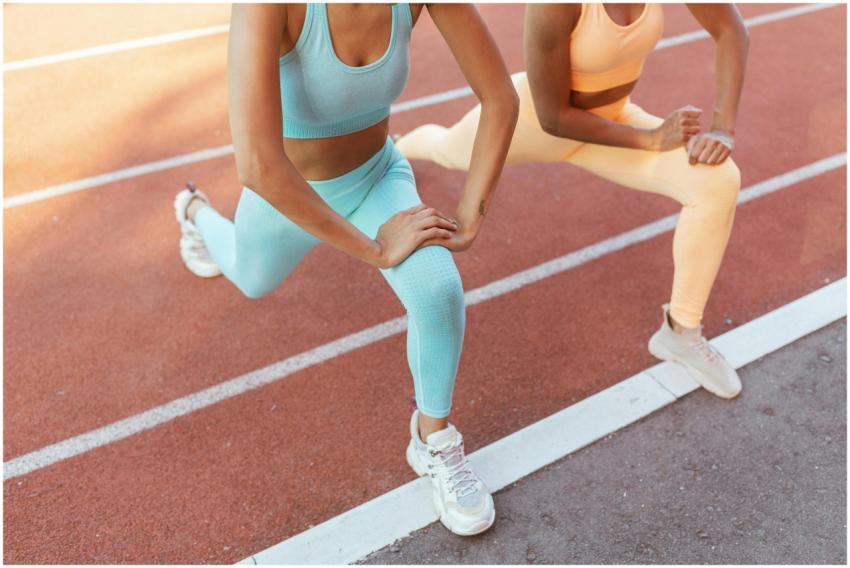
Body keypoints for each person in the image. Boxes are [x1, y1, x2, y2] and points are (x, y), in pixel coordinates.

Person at [172, 3, 518, 535]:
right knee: (251, 278)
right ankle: (195, 212)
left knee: (438, 289)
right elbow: (258, 166)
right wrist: (375, 250)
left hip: (376, 177)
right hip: (287, 197)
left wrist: (471, 217)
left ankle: (433, 438)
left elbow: (500, 98)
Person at [396, 3, 749, 399]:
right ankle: (399, 150)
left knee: (718, 181)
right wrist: (650, 139)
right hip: (532, 124)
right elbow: (554, 118)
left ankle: (681, 331)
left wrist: (723, 128)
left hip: (610, 124)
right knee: (447, 149)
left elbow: (730, 29)